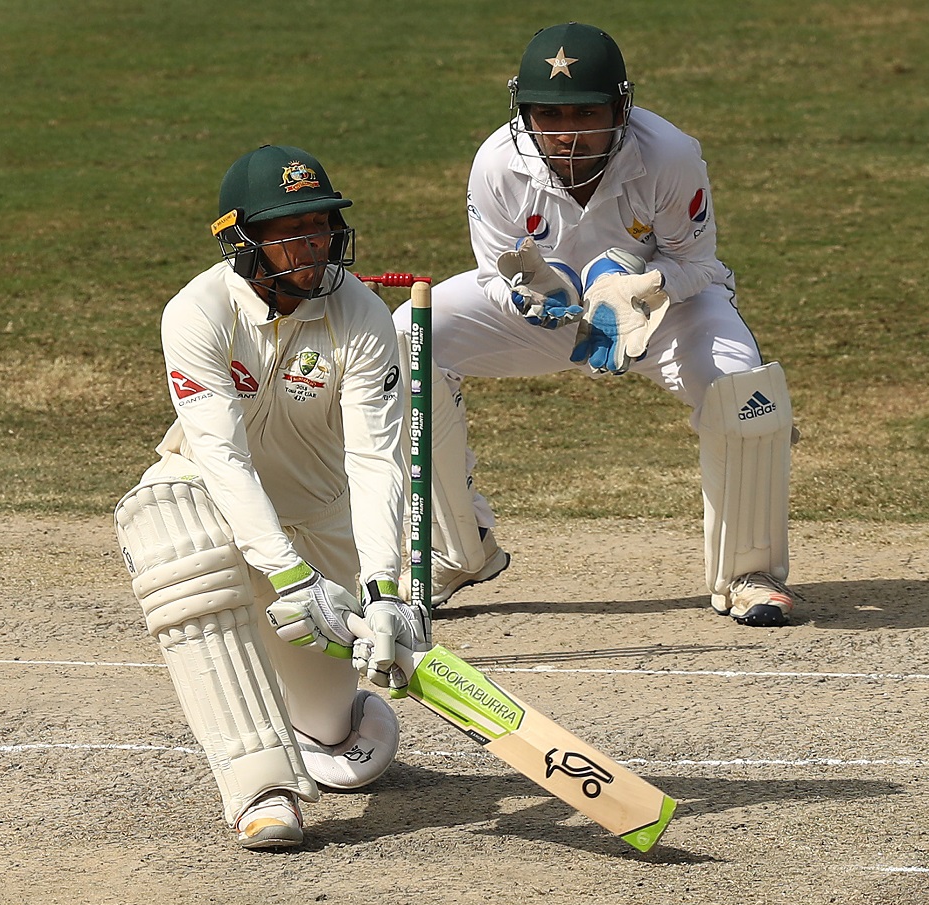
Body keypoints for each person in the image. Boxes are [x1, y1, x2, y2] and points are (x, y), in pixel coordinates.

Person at [393, 22, 797, 626]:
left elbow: (698, 263)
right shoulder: (498, 163)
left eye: (586, 112)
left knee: (746, 393)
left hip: (664, 312)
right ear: (523, 112)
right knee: (411, 337)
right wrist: (530, 300)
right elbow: (496, 275)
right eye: (549, 116)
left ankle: (749, 572)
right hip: (551, 316)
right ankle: (458, 550)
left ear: (620, 108)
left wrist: (644, 288)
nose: (568, 133)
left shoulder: (670, 155)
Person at [114, 144, 423, 850]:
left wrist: (382, 587)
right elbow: (220, 457)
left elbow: (377, 458)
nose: (311, 247)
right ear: (241, 241)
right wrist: (288, 575)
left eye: (319, 228)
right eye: (289, 233)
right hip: (212, 505)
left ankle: (325, 723)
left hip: (319, 520)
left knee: (341, 745)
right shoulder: (197, 313)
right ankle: (263, 791)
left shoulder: (362, 313)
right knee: (170, 531)